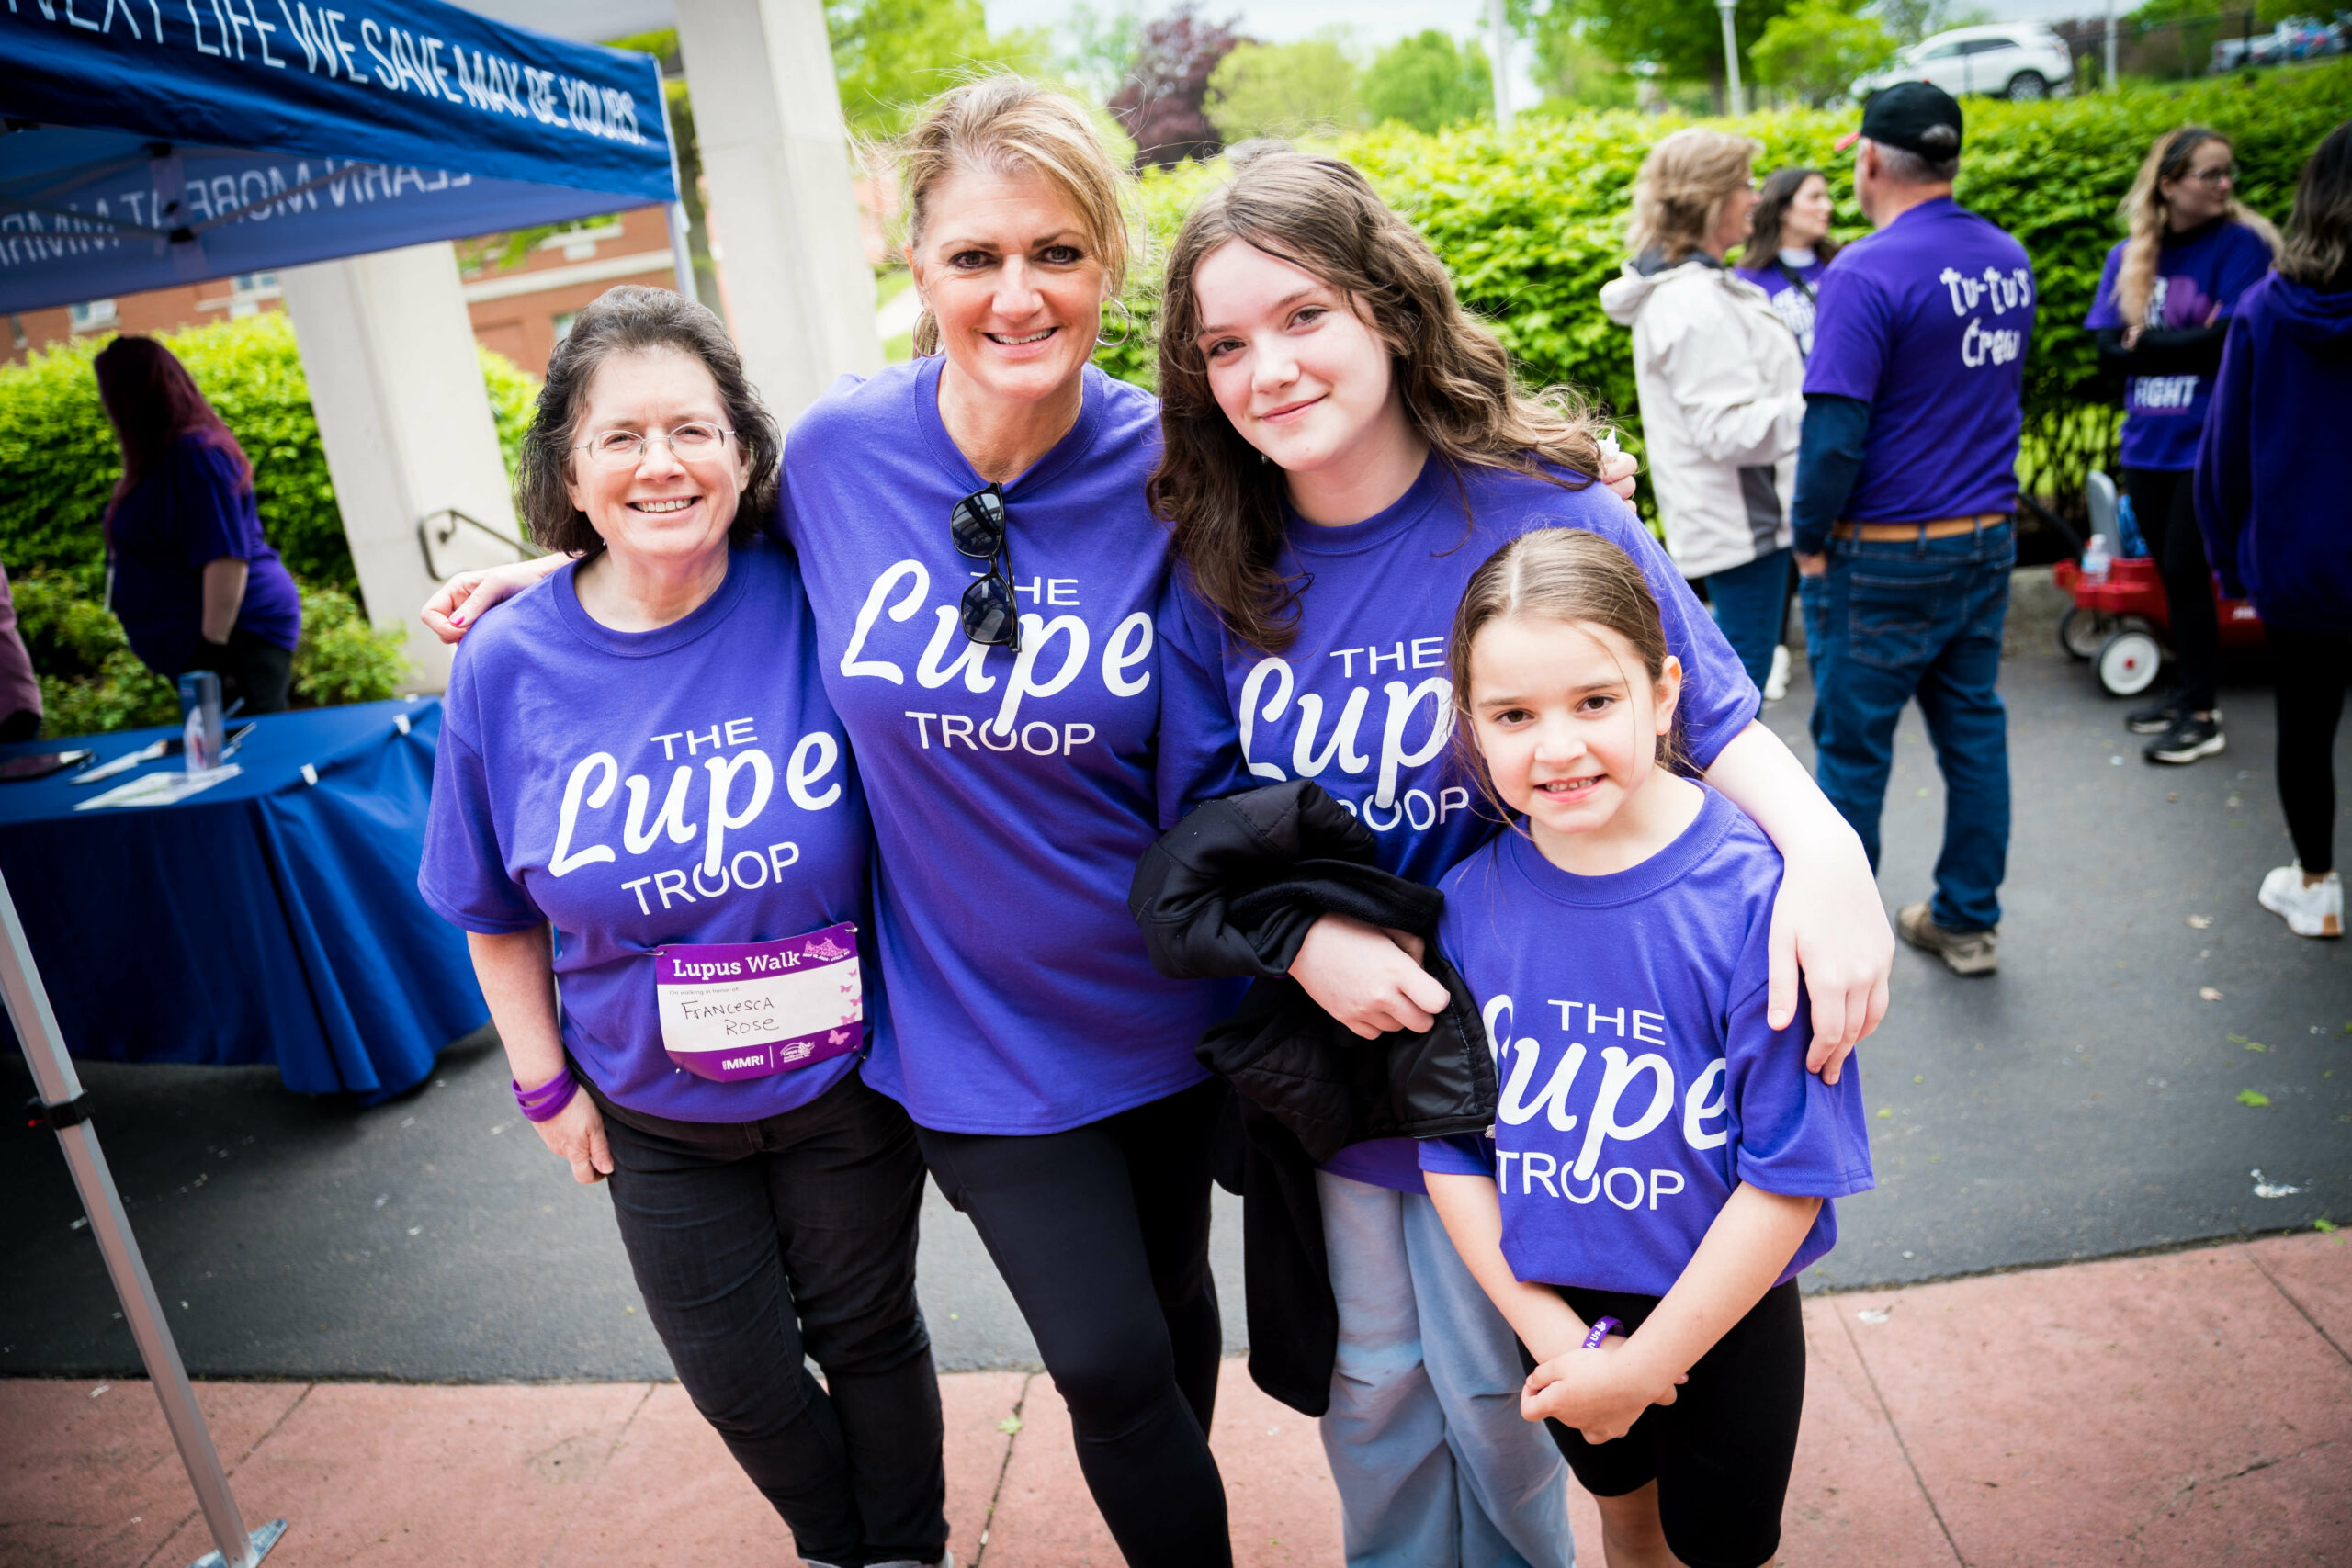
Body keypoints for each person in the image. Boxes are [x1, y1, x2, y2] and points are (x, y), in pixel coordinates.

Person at [427, 78, 1245, 1567]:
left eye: (1056, 252)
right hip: (966, 1024)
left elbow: (1369, 493)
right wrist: (547, 590)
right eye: (975, 256)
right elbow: (673, 536)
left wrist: (1550, 478)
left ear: (1108, 265)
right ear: (915, 266)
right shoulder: (845, 459)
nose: (1016, 292)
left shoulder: (1182, 466)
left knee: (1173, 1325)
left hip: (1166, 999)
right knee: (1110, 1357)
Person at [1150, 144, 1889, 1567]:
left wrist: (1831, 856)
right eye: (1227, 343)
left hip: (1542, 1060)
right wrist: (1306, 940)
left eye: (1305, 316)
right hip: (1352, 1055)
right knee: (1375, 1377)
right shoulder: (1220, 565)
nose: (1273, 368)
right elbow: (1200, 824)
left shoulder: (1549, 510)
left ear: (1387, 306)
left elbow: (1714, 714)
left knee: (1512, 1389)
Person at [416, 288, 950, 1568]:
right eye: (621, 438)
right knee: (741, 1380)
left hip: (844, 1084)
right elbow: (490, 906)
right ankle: (842, 1541)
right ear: (567, 469)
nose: (662, 462)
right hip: (654, 1110)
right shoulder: (506, 664)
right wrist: (547, 1089)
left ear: (746, 453)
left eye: (694, 430)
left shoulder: (817, 593)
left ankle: (906, 1552)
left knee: (870, 1336)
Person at [1420, 527, 1872, 1568]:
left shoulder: (1755, 899)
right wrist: (1568, 1350)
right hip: (1562, 1314)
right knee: (1625, 1523)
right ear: (1471, 726)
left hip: (1725, 1316)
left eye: (1594, 702)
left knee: (1717, 1545)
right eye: (1513, 716)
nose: (1558, 747)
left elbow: (1789, 1171)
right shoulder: (1464, 907)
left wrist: (1645, 1366)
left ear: (1664, 693)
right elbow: (1451, 1151)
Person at [1792, 82, 2036, 978]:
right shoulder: (2008, 257)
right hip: (1983, 537)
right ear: (1950, 157)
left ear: (1867, 159)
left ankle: (1841, 947)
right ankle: (1967, 923)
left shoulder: (1864, 269)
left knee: (1851, 752)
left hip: (1884, 551)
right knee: (1972, 731)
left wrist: (1807, 534)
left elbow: (1834, 434)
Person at [2197, 118, 2352, 939]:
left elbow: (2223, 457)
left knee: (2307, 725)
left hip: (2300, 566)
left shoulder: (2264, 311)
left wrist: (2229, 563)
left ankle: (2318, 885)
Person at [2086, 125, 2278, 766]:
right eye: (2210, 174)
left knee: (2189, 570)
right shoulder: (2131, 253)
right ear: (2169, 184)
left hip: (2209, 444)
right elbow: (2107, 350)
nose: (2226, 185)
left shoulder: (2242, 245)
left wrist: (2147, 342)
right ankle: (2185, 692)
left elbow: (2226, 339)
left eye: (2230, 173)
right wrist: (2149, 347)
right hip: (2147, 441)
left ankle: (2201, 713)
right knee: (2170, 572)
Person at [1600, 129, 1806, 693]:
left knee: (1736, 692)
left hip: (1742, 523)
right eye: (1745, 184)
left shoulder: (1693, 288)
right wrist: (1825, 407)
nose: (1757, 197)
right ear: (1710, 198)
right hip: (1745, 529)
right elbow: (1726, 431)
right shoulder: (1692, 300)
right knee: (1740, 700)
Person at [93, 336, 301, 714]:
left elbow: (225, 557)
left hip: (237, 640)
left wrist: (212, 654)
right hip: (212, 646)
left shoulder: (195, 456)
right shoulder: (163, 459)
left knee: (251, 754)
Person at [1738, 167, 1842, 358]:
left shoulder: (1843, 266)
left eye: (1826, 197)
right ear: (1783, 210)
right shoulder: (1746, 281)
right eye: (1814, 197)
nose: (1827, 206)